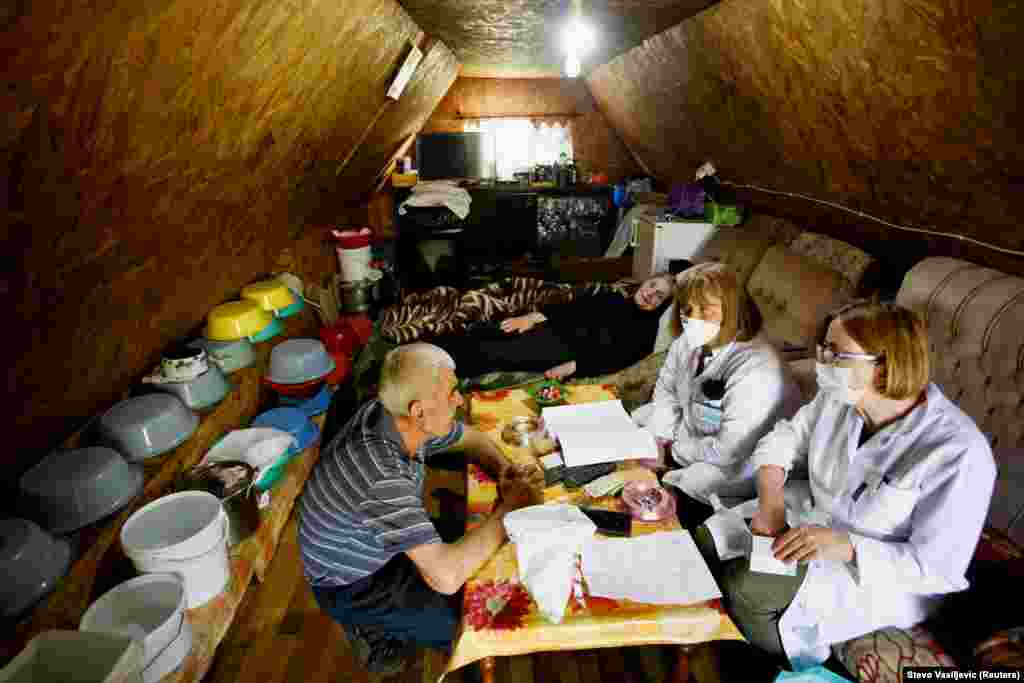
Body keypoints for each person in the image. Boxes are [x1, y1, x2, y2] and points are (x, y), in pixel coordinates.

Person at [705, 302, 996, 667]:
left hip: (876, 580)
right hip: (809, 523)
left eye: (837, 355)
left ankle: (776, 666)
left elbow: (935, 569)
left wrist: (844, 545)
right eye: (824, 349)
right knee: (707, 542)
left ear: (885, 366)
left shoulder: (958, 450)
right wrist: (771, 504)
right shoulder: (840, 399)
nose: (822, 363)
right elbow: (784, 440)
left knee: (744, 586)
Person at [297, 342, 541, 674]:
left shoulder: (392, 414)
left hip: (375, 539)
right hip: (356, 582)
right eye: (452, 393)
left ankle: (399, 615)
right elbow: (446, 577)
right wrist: (511, 506)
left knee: (485, 550)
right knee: (477, 617)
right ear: (418, 410)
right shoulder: (380, 473)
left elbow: (469, 438)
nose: (459, 400)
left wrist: (503, 471)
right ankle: (372, 632)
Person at [634, 262, 801, 528]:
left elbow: (728, 450)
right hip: (695, 433)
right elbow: (666, 391)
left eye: (706, 310)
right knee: (640, 418)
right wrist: (659, 440)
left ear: (733, 310)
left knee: (694, 481)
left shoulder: (757, 368)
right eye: (687, 309)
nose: (693, 318)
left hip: (740, 460)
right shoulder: (688, 340)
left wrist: (673, 448)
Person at [435, 274, 675, 381]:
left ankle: (431, 372)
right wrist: (534, 317)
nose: (650, 293)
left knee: (489, 353)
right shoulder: (613, 298)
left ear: (661, 305)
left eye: (659, 295)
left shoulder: (644, 332)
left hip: (561, 351)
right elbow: (573, 307)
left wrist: (574, 366)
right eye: (652, 285)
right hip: (550, 328)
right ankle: (416, 355)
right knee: (484, 332)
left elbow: (616, 359)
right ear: (645, 281)